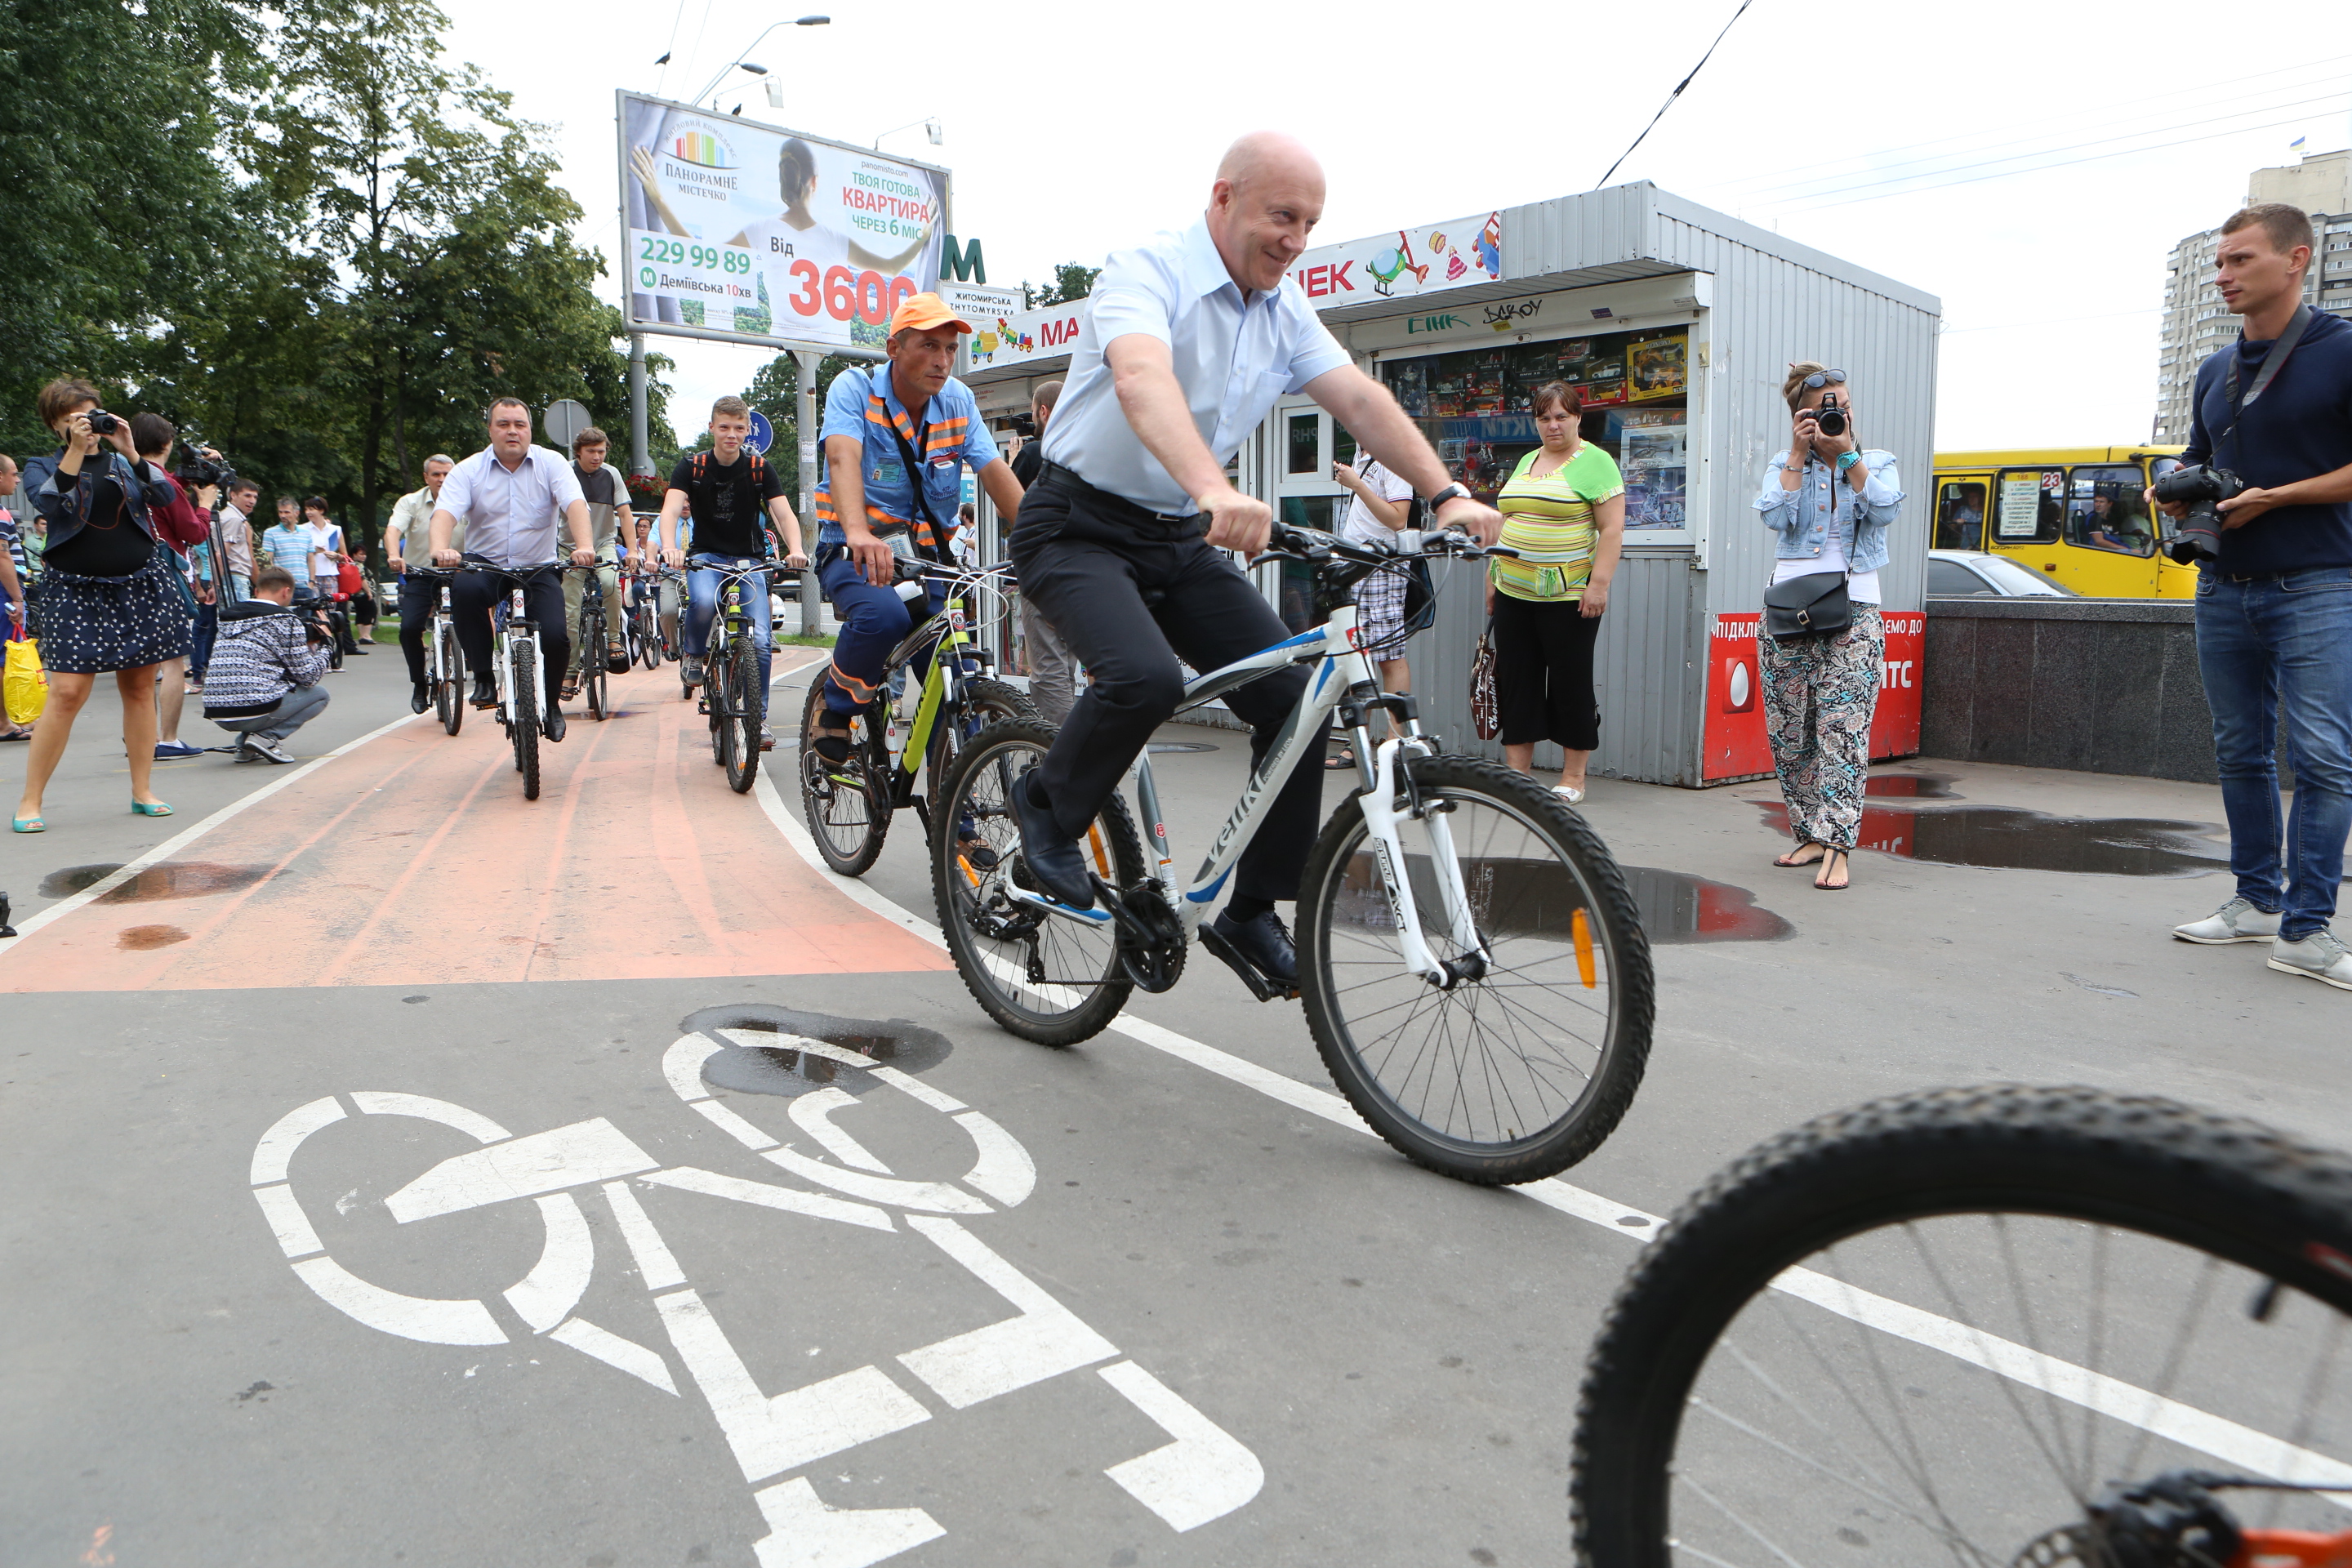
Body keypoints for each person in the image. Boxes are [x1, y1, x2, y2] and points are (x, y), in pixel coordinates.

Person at [1007, 132, 1503, 991]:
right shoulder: (1147, 271)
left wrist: (1446, 492)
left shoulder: (1284, 308)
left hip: (1177, 535)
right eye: (1283, 216)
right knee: (1146, 679)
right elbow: (1140, 379)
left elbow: (1357, 398)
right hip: (1076, 524)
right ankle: (1046, 813)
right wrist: (1212, 487)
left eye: (1311, 223)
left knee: (1298, 699)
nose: (1297, 240)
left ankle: (1249, 911)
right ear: (1224, 197)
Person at [2158, 203, 2352, 991]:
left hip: (2318, 583)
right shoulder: (2213, 369)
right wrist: (2175, 490)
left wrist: (2277, 498)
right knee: (2240, 752)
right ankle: (2254, 900)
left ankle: (2309, 930)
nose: (2223, 274)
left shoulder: (2342, 350)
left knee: (2325, 760)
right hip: (2223, 585)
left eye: (2239, 260)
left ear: (2296, 259)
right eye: (2219, 263)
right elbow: (2197, 456)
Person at [810, 296, 1021, 765]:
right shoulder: (855, 389)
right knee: (885, 618)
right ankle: (836, 705)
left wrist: (1040, 540)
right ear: (893, 348)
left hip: (931, 563)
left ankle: (957, 830)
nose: (943, 361)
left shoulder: (959, 401)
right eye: (929, 346)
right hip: (853, 552)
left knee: (960, 686)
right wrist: (859, 532)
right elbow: (843, 457)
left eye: (949, 349)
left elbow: (993, 472)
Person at [12, 378, 190, 831]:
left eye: (91, 414)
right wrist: (75, 449)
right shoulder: (41, 465)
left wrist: (131, 450)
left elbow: (167, 499)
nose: (87, 424)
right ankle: (31, 801)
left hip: (139, 586)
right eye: (74, 418)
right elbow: (52, 503)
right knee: (67, 692)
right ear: (56, 424)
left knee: (137, 689)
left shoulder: (122, 462)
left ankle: (142, 790)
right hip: (74, 590)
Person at [1754, 363, 1904, 893]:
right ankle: (1810, 832)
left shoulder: (1875, 460)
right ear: (1801, 416)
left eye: (1840, 402)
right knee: (1791, 732)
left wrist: (1848, 457)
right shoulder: (1784, 462)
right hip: (1787, 612)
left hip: (1854, 611)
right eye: (1822, 407)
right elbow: (1774, 517)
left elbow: (1885, 510)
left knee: (1843, 729)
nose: (1835, 412)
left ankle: (1839, 843)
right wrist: (1798, 456)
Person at [1486, 382, 1626, 803]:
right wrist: (1492, 583)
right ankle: (1518, 776)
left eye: (1561, 416)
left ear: (1578, 418)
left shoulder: (1596, 462)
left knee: (1570, 683)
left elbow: (1612, 529)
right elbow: (1505, 523)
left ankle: (1573, 778)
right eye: (1544, 418)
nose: (1553, 425)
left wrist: (1598, 585)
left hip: (1569, 597)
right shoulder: (1528, 460)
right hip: (1513, 590)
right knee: (1516, 681)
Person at [429, 398, 598, 741]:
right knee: (464, 590)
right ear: (490, 429)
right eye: (503, 424)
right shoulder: (468, 469)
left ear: (529, 431)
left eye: (519, 425)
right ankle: (485, 680)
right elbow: (445, 513)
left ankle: (550, 706)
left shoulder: (551, 463)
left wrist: (585, 546)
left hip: (538, 566)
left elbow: (575, 504)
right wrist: (440, 549)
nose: (512, 431)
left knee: (554, 635)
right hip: (486, 564)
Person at [655, 396, 807, 749]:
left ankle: (759, 720)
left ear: (747, 430)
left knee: (762, 643)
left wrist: (795, 549)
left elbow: (783, 514)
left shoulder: (758, 468)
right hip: (706, 557)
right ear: (712, 428)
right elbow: (670, 508)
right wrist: (670, 547)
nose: (731, 435)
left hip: (749, 562)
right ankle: (694, 653)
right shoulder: (690, 467)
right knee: (704, 602)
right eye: (724, 427)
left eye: (739, 428)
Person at [1327, 444, 1425, 770]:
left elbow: (1398, 519)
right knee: (1357, 655)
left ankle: (1395, 744)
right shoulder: (1362, 453)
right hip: (1354, 565)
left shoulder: (1393, 457)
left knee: (1390, 656)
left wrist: (1357, 485)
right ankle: (1358, 745)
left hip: (1381, 567)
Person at [129, 413, 216, 760]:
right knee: (172, 662)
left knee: (139, 663)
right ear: (167, 444)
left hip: (129, 573)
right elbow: (194, 532)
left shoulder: (124, 476)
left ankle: (138, 735)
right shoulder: (167, 485)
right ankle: (168, 738)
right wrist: (206, 505)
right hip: (165, 574)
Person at [203, 566, 332, 763]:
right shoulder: (286, 620)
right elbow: (309, 677)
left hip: (217, 710)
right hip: (252, 709)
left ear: (256, 590)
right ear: (286, 591)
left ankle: (245, 746)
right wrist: (327, 644)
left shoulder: (228, 617)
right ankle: (266, 739)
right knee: (319, 695)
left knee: (269, 686)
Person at [1007, 380, 1079, 725]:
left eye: (1034, 411)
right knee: (1065, 666)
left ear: (1044, 411)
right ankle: (1067, 745)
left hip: (1043, 571)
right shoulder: (1083, 450)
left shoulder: (1036, 452)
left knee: (1047, 669)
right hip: (1080, 573)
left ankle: (1060, 752)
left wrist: (1011, 463)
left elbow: (1007, 505)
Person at [383, 453, 457, 713]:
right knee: (409, 629)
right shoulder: (411, 502)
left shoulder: (467, 500)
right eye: (436, 474)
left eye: (447, 474)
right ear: (426, 477)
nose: (442, 479)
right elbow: (393, 530)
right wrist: (393, 555)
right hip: (421, 574)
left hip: (459, 574)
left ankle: (481, 676)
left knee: (475, 620)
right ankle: (419, 683)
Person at [564, 425, 634, 695]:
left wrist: (633, 551)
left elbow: (626, 515)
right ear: (579, 452)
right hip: (567, 545)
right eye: (591, 451)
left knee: (610, 582)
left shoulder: (611, 474)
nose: (597, 457)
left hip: (602, 542)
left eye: (601, 451)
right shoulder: (566, 473)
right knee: (569, 611)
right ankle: (570, 672)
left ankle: (614, 639)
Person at [301, 496, 363, 653]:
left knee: (329, 612)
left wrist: (336, 556)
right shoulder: (303, 529)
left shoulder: (335, 530)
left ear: (321, 510)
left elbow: (345, 556)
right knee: (313, 611)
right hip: (311, 576)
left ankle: (329, 648)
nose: (308, 512)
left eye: (312, 509)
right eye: (307, 509)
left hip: (330, 574)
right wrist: (310, 551)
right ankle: (313, 649)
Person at [0, 453, 32, 742]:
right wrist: (17, 598)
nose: (17, 479)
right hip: (3, 592)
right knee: (4, 656)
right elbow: (2, 557)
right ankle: (4, 723)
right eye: (13, 473)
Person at [216, 476, 258, 603]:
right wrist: (216, 585)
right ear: (233, 495)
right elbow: (221, 553)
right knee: (239, 621)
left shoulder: (226, 515)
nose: (252, 501)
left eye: (255, 497)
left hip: (232, 578)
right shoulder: (234, 518)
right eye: (247, 496)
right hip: (234, 578)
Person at [260, 498, 310, 595]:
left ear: (297, 513)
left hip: (304, 586)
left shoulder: (306, 534)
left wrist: (311, 582)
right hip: (282, 586)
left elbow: (310, 559)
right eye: (280, 512)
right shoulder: (270, 533)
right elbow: (268, 559)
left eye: (287, 512)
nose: (283, 516)